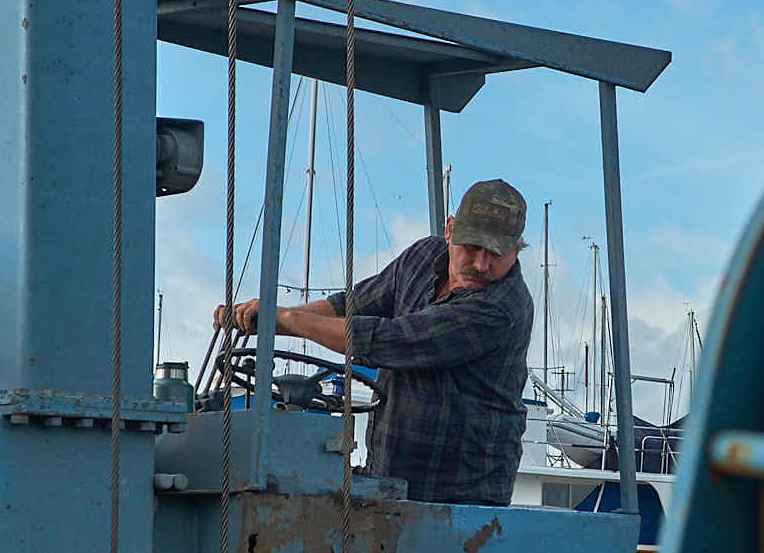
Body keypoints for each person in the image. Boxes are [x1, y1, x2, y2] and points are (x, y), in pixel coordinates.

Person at [214, 179, 534, 505]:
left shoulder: (502, 308)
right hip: (389, 476)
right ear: (450, 230)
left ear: (516, 249)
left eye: (496, 253)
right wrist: (268, 318)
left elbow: (390, 341)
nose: (481, 264)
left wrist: (286, 320)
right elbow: (352, 304)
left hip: (463, 497)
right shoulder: (424, 256)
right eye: (472, 248)